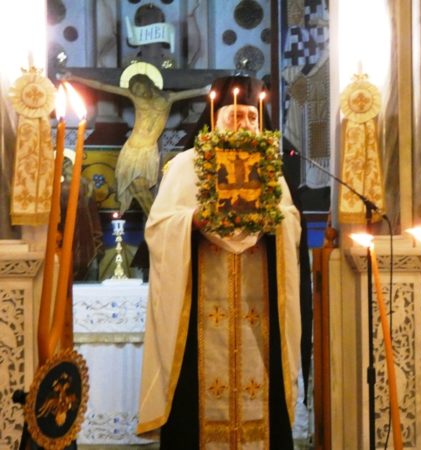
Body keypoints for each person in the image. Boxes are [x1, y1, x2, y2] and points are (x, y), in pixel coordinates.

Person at [136, 75, 302, 449]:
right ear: (216, 117)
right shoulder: (187, 165)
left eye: (251, 117)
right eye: (235, 115)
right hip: (199, 310)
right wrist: (193, 221)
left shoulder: (270, 168)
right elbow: (158, 227)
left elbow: (290, 221)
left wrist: (273, 222)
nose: (243, 124)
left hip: (259, 309)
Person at [67, 63, 207, 216]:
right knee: (135, 187)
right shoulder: (136, 98)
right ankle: (154, 220)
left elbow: (195, 92)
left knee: (141, 186)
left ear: (147, 84)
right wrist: (74, 77)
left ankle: (155, 219)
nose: (138, 92)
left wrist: (205, 90)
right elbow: (102, 86)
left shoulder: (168, 97)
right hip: (131, 149)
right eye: (135, 90)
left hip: (148, 151)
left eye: (139, 88)